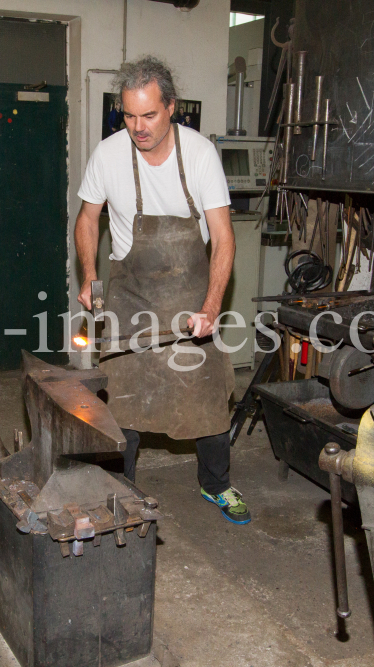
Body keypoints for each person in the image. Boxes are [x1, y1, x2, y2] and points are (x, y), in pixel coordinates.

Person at [75, 56, 250, 525]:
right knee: (124, 398)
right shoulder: (109, 154)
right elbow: (88, 218)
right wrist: (90, 275)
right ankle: (121, 490)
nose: (138, 127)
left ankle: (216, 485)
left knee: (208, 397)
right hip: (130, 291)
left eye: (148, 115)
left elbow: (224, 237)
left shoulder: (199, 155)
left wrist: (211, 306)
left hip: (191, 291)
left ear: (171, 107)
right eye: (129, 116)